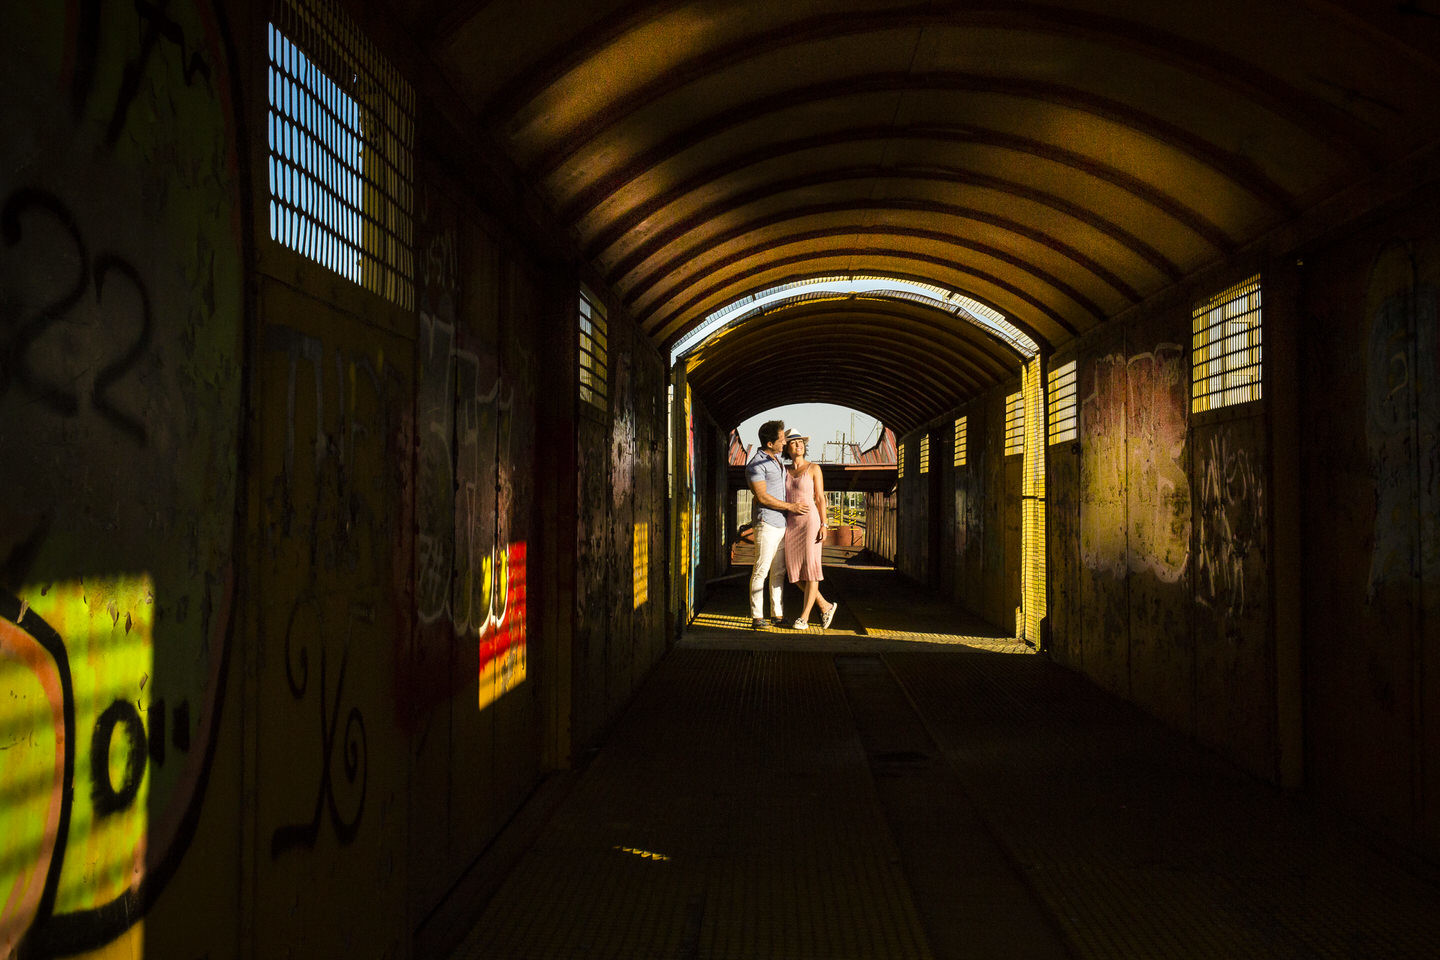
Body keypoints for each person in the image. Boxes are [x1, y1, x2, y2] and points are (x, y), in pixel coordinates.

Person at [745, 420, 807, 629]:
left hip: (781, 523)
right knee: (761, 569)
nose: (785, 442)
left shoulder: (776, 460)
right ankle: (756, 616)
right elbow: (761, 496)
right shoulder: (756, 464)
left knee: (778, 571)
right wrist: (791, 506)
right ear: (770, 443)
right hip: (767, 523)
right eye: (781, 439)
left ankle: (777, 615)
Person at [781, 430, 838, 630]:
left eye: (801, 442)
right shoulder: (784, 470)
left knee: (812, 570)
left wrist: (824, 524)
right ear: (787, 448)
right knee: (794, 572)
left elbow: (820, 498)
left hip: (810, 522)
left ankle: (803, 618)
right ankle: (825, 605)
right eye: (794, 443)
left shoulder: (814, 468)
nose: (799, 446)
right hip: (791, 524)